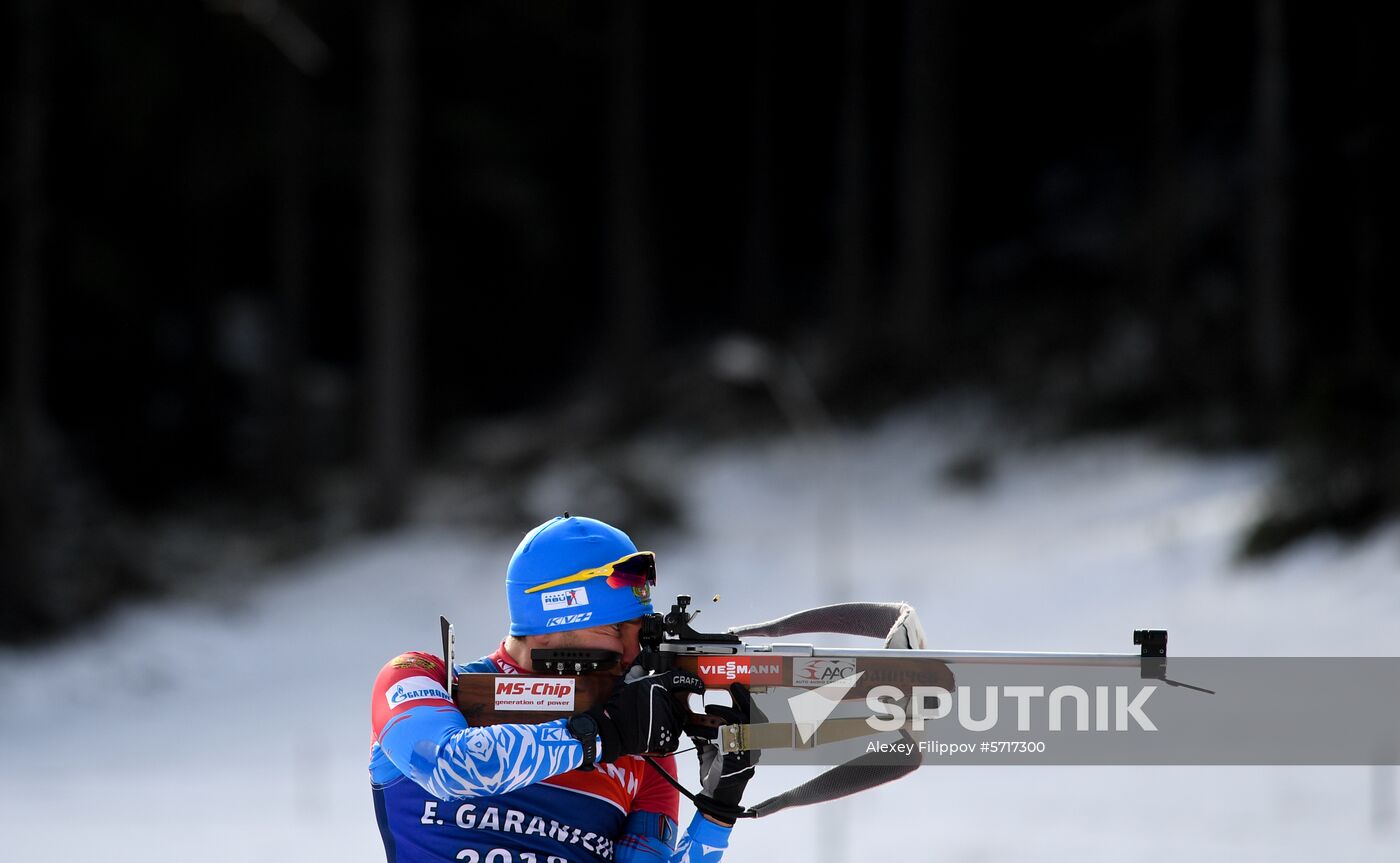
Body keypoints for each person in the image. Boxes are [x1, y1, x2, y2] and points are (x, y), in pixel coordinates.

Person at [370, 515, 756, 863]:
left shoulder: (642, 748)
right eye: (613, 628)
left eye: (640, 633)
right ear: (552, 619)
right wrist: (596, 737)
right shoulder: (423, 678)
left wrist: (715, 812)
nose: (631, 653)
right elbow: (448, 766)